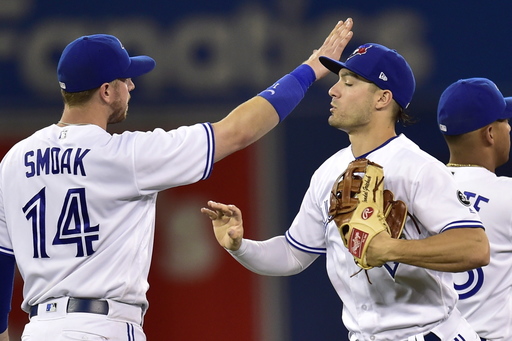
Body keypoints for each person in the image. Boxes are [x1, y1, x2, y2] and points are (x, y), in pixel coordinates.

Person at [0, 19, 354, 341]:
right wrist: (312, 68)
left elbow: (2, 258)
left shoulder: (14, 160)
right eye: (125, 79)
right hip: (101, 328)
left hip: (38, 330)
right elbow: (237, 132)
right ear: (106, 91)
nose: (132, 85)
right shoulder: (125, 156)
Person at [201, 43, 491, 341]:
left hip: (427, 333)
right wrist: (239, 246)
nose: (333, 90)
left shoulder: (417, 167)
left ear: (383, 98)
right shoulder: (329, 171)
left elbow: (475, 247)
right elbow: (292, 255)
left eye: (348, 83)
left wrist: (390, 249)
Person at [437, 77, 512, 341]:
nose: (510, 127)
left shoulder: (420, 191)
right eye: (504, 122)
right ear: (490, 134)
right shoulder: (507, 195)